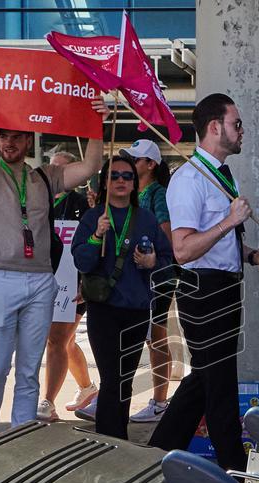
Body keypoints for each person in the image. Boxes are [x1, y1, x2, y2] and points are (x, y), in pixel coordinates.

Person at [0, 75, 108, 448]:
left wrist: (95, 121)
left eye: (17, 136)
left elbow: (91, 165)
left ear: (29, 139)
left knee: (30, 369)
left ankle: (20, 435)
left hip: (40, 279)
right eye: (2, 136)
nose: (9, 142)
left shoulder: (45, 176)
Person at [147, 93, 259, 473]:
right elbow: (184, 249)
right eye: (237, 124)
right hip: (202, 291)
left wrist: (249, 253)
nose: (242, 131)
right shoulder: (188, 180)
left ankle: (155, 456)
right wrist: (230, 222)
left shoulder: (221, 173)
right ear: (215, 127)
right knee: (219, 388)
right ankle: (234, 474)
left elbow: (216, 242)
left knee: (205, 380)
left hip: (225, 286)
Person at [72, 156, 172, 439]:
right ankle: (109, 438)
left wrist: (153, 261)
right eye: (114, 175)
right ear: (105, 181)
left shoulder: (147, 219)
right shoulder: (94, 217)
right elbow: (82, 261)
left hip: (136, 310)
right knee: (112, 378)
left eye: (127, 176)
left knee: (124, 380)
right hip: (103, 309)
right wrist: (96, 236)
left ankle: (117, 439)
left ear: (134, 183)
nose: (120, 180)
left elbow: (168, 260)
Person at [37, 151, 95, 422]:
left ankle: (47, 402)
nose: (55, 174)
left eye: (62, 169)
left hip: (74, 283)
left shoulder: (84, 203)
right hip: (43, 279)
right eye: (52, 168)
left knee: (57, 340)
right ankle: (87, 388)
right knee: (67, 343)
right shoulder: (39, 200)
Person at [122, 139, 175, 423]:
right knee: (133, 338)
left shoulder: (157, 194)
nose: (129, 164)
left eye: (135, 159)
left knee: (156, 338)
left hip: (157, 277)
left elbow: (167, 236)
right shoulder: (133, 193)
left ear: (151, 165)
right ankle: (117, 395)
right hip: (136, 278)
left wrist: (149, 254)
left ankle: (159, 401)